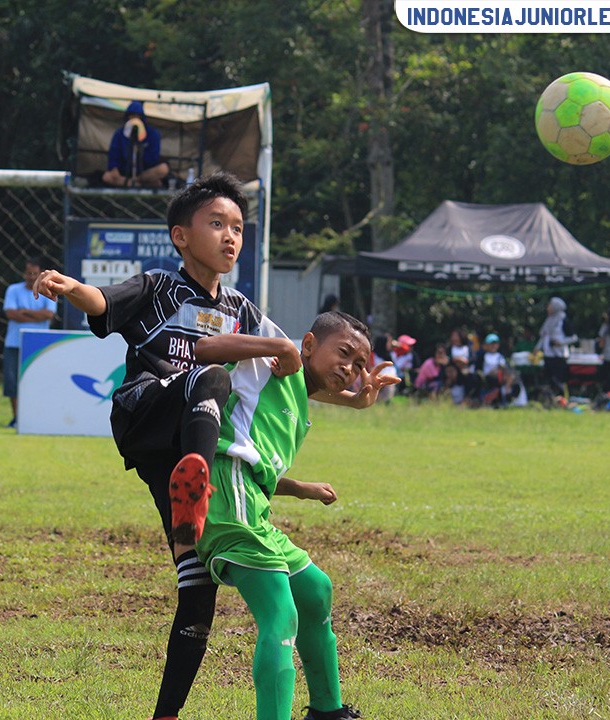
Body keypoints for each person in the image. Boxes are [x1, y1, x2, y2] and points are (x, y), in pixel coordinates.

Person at [32, 173, 384, 720]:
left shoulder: (243, 307)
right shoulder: (157, 287)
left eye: (238, 227)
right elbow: (102, 301)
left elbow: (294, 376)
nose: (230, 236)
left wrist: (354, 396)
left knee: (197, 595)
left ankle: (166, 713)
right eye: (216, 224)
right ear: (180, 236)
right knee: (211, 376)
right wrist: (67, 285)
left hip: (187, 452)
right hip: (150, 414)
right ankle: (196, 478)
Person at [194, 311, 392, 720]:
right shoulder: (272, 364)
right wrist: (280, 347)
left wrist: (299, 487)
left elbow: (258, 463)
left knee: (315, 590)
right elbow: (207, 348)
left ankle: (327, 711)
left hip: (250, 500)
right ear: (307, 345)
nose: (350, 368)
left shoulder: (298, 398)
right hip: (226, 497)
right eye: (344, 353)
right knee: (280, 614)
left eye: (359, 364)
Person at [2, 258, 58, 427]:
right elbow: (11, 314)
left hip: (39, 345)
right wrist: (36, 314)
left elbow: (48, 315)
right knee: (13, 382)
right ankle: (17, 418)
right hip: (14, 343)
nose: (31, 277)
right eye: (28, 273)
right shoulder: (13, 290)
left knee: (38, 381)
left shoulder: (48, 290)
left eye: (35, 273)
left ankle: (37, 417)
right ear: (23, 273)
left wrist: (24, 312)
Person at [101, 100, 170, 189]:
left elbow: (153, 158)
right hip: (124, 172)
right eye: (132, 116)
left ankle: (136, 182)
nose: (134, 120)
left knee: (163, 169)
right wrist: (114, 168)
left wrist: (140, 151)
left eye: (137, 117)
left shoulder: (152, 134)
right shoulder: (120, 134)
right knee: (107, 177)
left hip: (144, 172)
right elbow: (114, 153)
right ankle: (136, 184)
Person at [535, 297, 578, 397]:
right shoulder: (549, 320)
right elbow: (544, 336)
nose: (548, 308)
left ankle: (562, 398)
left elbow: (574, 338)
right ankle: (551, 399)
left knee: (559, 379)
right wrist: (537, 348)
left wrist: (560, 342)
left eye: (549, 305)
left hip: (558, 355)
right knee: (549, 379)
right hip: (548, 354)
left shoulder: (563, 320)